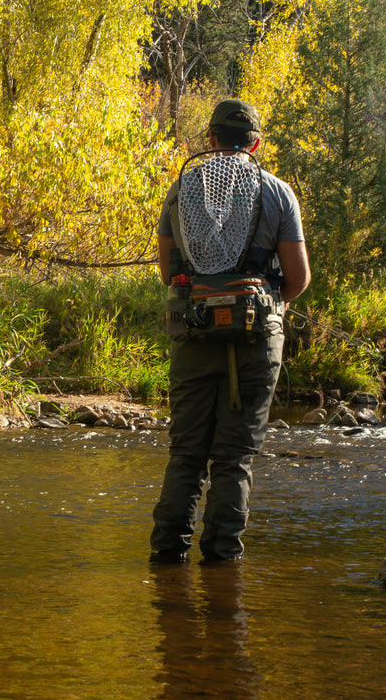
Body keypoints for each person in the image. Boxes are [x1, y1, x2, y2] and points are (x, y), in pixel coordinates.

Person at [150, 98, 311, 563]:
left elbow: (166, 272)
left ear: (211, 140)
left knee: (185, 455)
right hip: (256, 340)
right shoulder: (278, 193)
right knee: (234, 458)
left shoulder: (180, 191)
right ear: (255, 144)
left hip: (193, 332)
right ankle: (222, 569)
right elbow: (297, 281)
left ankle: (166, 562)